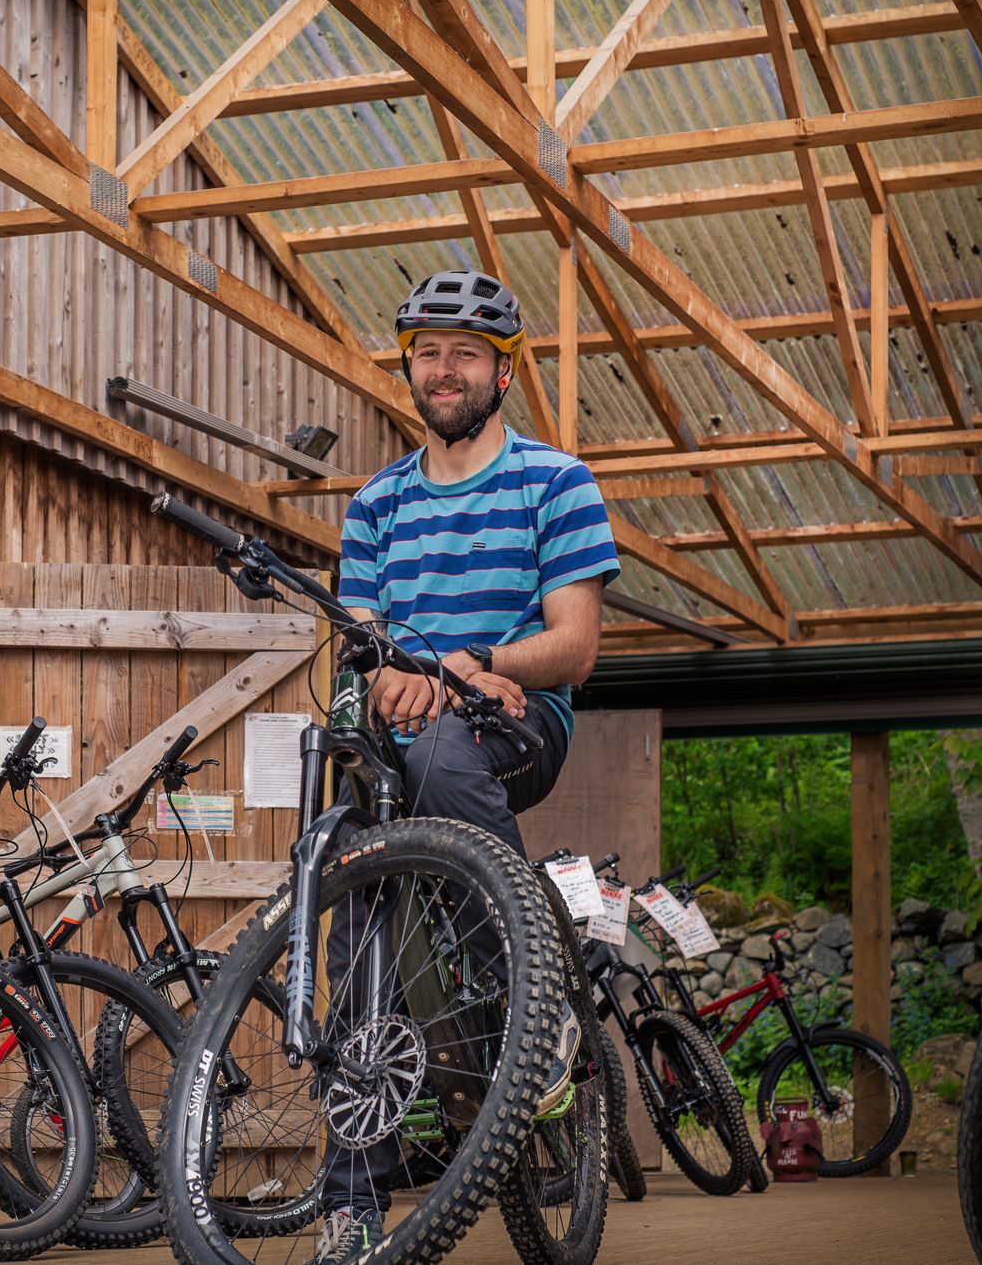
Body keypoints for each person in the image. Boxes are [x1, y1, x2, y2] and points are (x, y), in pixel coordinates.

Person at [313, 268, 619, 1263]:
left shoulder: (553, 481)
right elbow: (359, 645)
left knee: (445, 748)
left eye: (464, 354)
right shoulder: (374, 504)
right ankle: (346, 1201)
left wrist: (470, 665)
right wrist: (385, 681)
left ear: (502, 369)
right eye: (426, 353)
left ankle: (527, 1000)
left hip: (510, 724)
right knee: (347, 906)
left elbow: (571, 646)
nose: (442, 371)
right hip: (401, 736)